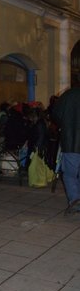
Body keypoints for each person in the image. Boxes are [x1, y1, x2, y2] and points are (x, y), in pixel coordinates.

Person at [52, 77, 80, 214]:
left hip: (71, 142)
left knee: (69, 173)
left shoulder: (68, 95)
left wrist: (64, 125)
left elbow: (55, 114)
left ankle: (75, 199)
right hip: (71, 142)